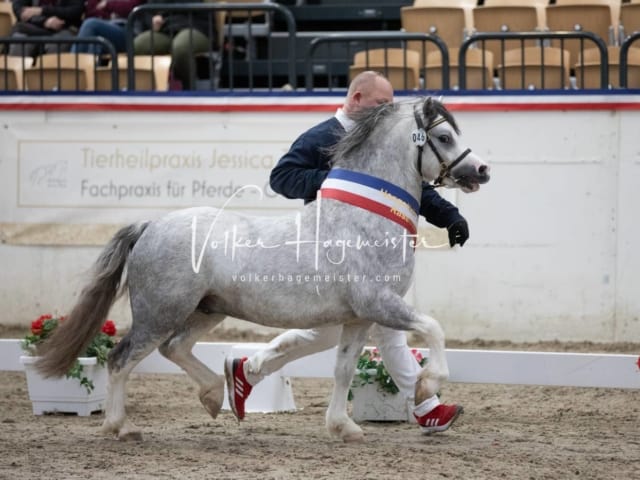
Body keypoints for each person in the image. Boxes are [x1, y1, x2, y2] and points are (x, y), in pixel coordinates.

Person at [224, 71, 468, 435]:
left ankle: (248, 371)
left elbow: (413, 185)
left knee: (332, 334)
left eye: (391, 105)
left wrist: (448, 214)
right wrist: (339, 182)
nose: (388, 112)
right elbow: (282, 176)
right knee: (382, 326)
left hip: (372, 254)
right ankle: (424, 406)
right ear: (356, 99)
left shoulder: (388, 140)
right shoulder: (324, 135)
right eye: (380, 104)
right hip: (331, 252)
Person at [133, 0, 216, 90]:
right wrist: (152, 20)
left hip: (195, 25)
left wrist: (165, 11)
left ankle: (188, 91)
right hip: (166, 29)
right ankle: (150, 92)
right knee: (138, 45)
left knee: (181, 48)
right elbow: (148, 9)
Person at [8, 0, 84, 59]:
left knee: (56, 44)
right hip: (33, 27)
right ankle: (16, 78)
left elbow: (75, 11)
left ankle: (50, 78)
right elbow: (20, 10)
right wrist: (44, 21)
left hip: (64, 27)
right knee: (19, 41)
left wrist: (42, 10)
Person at [71, 0, 146, 56]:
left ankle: (73, 67)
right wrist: (108, 12)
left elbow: (131, 7)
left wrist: (108, 5)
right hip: (106, 28)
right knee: (95, 44)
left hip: (129, 31)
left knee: (90, 24)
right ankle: (89, 75)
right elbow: (92, 9)